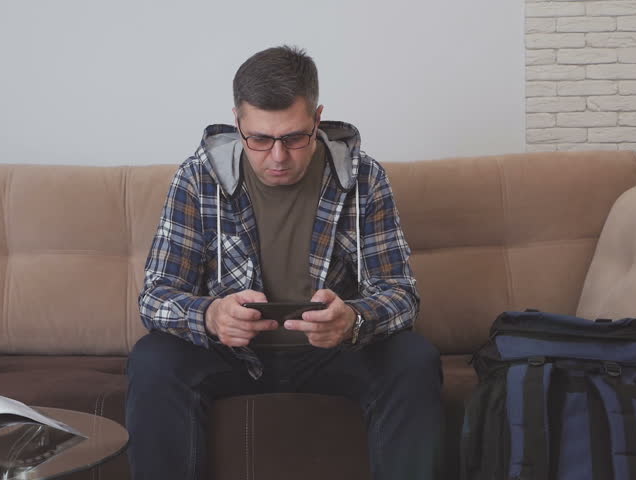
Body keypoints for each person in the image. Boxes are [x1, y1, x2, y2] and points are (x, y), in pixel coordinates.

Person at [126, 45, 442, 480]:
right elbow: (155, 295)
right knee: (153, 360)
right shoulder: (198, 176)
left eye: (294, 137)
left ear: (317, 119)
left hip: (330, 354)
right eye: (259, 139)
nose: (278, 157)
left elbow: (402, 294)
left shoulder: (363, 177)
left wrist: (353, 319)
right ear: (238, 123)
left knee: (413, 357)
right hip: (233, 358)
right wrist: (211, 316)